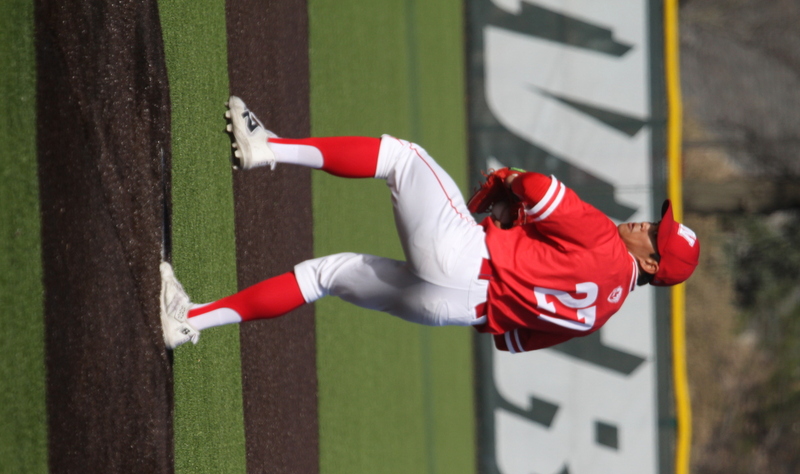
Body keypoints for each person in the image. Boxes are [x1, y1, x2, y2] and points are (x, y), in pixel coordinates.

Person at [160, 96, 700, 353]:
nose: (644, 224)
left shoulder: (607, 240)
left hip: (467, 258)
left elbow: (534, 187)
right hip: (453, 308)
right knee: (328, 275)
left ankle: (269, 148)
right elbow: (510, 341)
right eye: (656, 221)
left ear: (651, 263)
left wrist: (508, 183)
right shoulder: (602, 313)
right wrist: (520, 238)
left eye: (654, 233)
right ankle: (190, 320)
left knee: (403, 157)